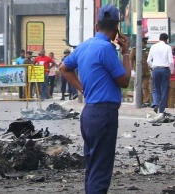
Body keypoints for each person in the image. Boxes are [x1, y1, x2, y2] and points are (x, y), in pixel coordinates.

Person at [59, 4, 131, 193]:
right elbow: (124, 81)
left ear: (96, 26)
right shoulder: (107, 49)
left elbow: (63, 68)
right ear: (117, 27)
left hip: (89, 113)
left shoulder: (83, 47)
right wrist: (125, 53)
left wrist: (82, 88)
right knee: (101, 168)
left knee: (92, 165)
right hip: (104, 113)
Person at [147, 33, 174, 113]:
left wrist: (153, 67)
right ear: (167, 40)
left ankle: (155, 103)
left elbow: (148, 60)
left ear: (159, 38)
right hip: (165, 70)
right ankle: (161, 110)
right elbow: (171, 62)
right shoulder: (168, 47)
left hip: (156, 69)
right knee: (164, 90)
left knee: (156, 88)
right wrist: (171, 71)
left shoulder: (153, 47)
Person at [130, 37, 152, 107]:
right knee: (138, 87)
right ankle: (138, 101)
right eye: (144, 43)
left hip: (146, 71)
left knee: (145, 87)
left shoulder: (147, 49)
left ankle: (145, 101)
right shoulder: (134, 50)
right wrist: (132, 69)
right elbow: (130, 59)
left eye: (146, 43)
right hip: (138, 71)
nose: (145, 45)